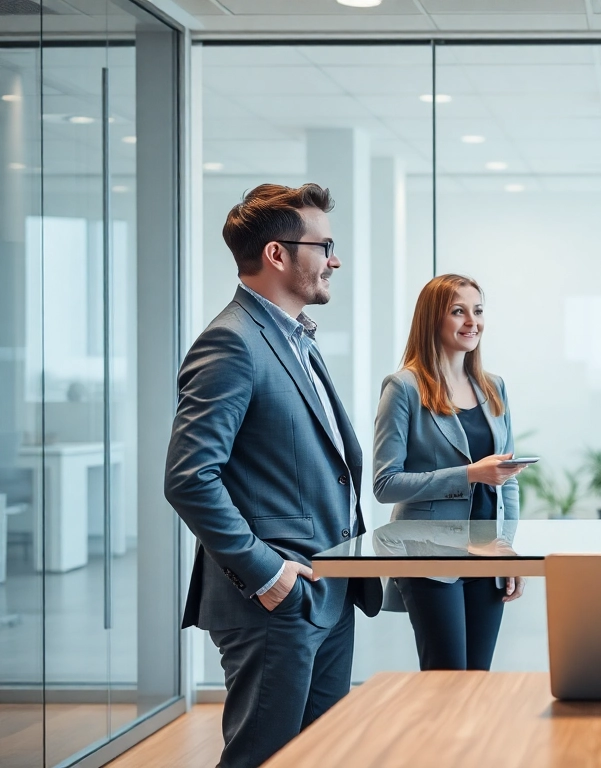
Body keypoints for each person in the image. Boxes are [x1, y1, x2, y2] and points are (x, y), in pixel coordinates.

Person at [165, 183, 382, 768]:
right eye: (325, 245)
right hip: (275, 599)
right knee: (263, 757)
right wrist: (267, 575)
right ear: (278, 254)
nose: (334, 259)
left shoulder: (296, 339)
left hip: (327, 590)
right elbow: (189, 477)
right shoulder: (232, 342)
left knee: (317, 754)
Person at [373, 274, 526, 671]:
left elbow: (508, 482)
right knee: (446, 682)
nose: (472, 321)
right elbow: (386, 484)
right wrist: (469, 475)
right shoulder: (404, 387)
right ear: (432, 320)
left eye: (477, 310)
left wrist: (507, 550)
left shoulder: (495, 388)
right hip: (427, 554)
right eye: (458, 311)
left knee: (477, 681)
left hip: (486, 554)